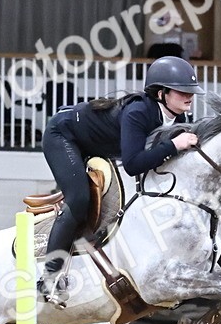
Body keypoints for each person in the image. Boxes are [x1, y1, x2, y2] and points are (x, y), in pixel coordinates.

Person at [37, 56, 206, 306]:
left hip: (95, 145)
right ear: (161, 93)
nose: (189, 96)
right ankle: (49, 278)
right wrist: (174, 145)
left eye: (190, 91)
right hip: (63, 135)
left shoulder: (177, 120)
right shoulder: (138, 112)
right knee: (79, 199)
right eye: (182, 91)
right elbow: (133, 164)